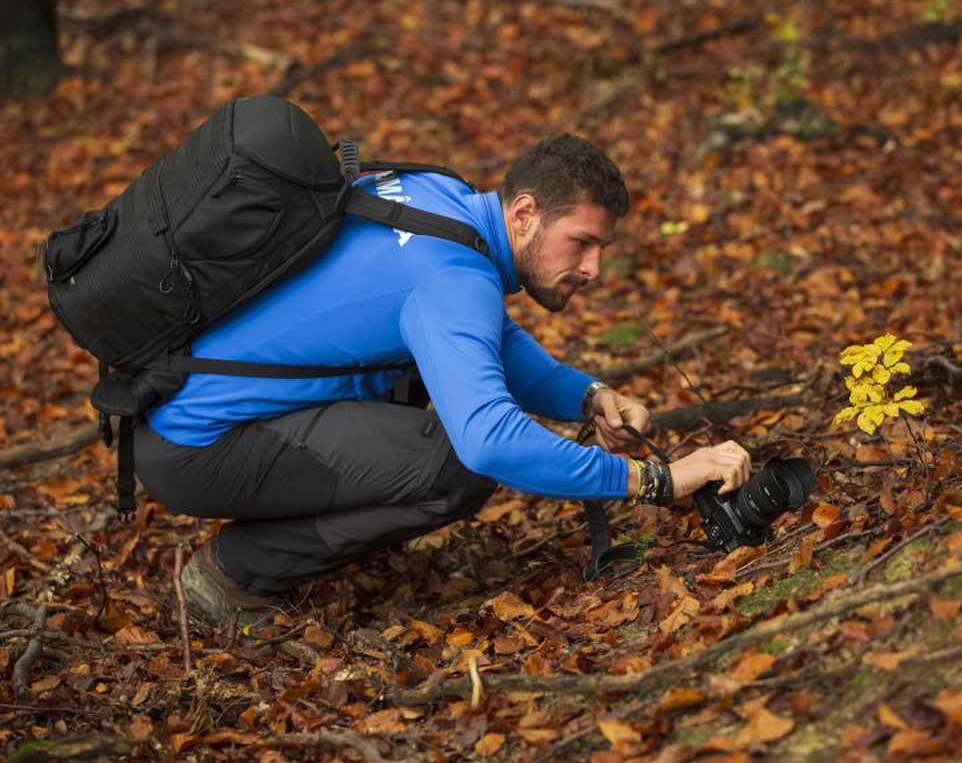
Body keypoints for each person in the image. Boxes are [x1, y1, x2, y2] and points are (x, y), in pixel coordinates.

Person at [132, 134, 751, 627]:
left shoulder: (440, 195)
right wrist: (654, 480)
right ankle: (234, 573)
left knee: (431, 409)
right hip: (198, 447)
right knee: (458, 468)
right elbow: (490, 442)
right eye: (582, 243)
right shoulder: (454, 277)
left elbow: (488, 338)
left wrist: (590, 397)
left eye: (601, 248)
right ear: (526, 213)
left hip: (169, 397)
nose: (593, 269)